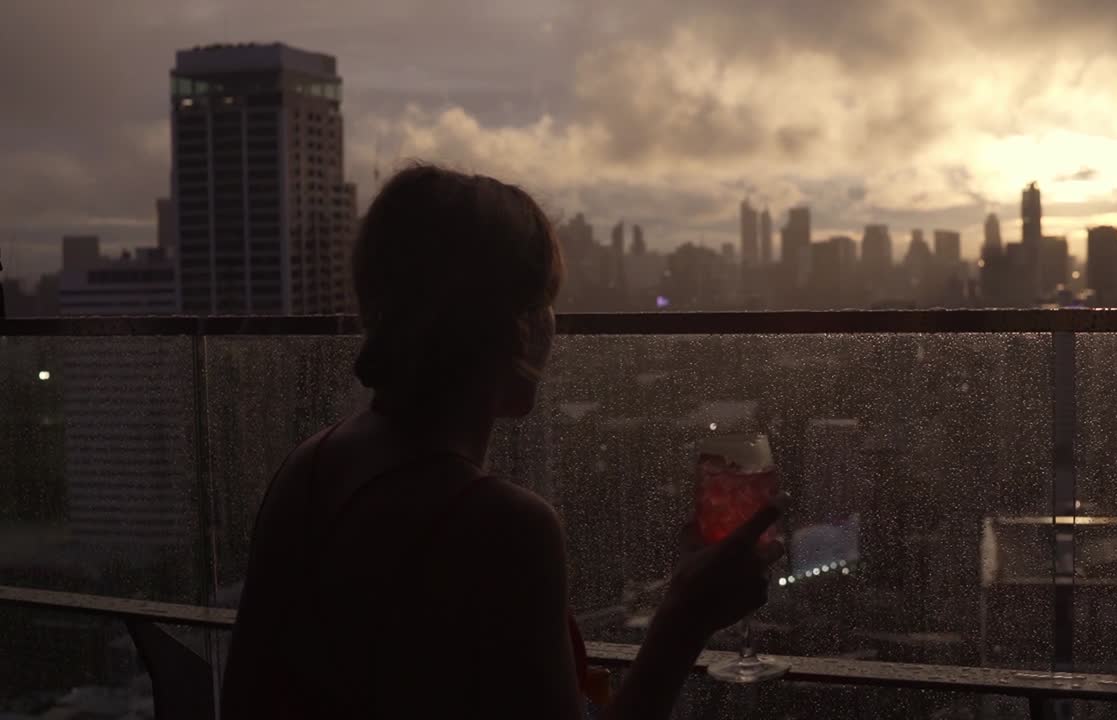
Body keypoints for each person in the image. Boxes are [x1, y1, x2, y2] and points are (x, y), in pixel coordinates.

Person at [221, 163, 785, 719]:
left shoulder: (309, 467)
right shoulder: (505, 527)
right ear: (517, 329)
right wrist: (684, 618)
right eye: (546, 301)